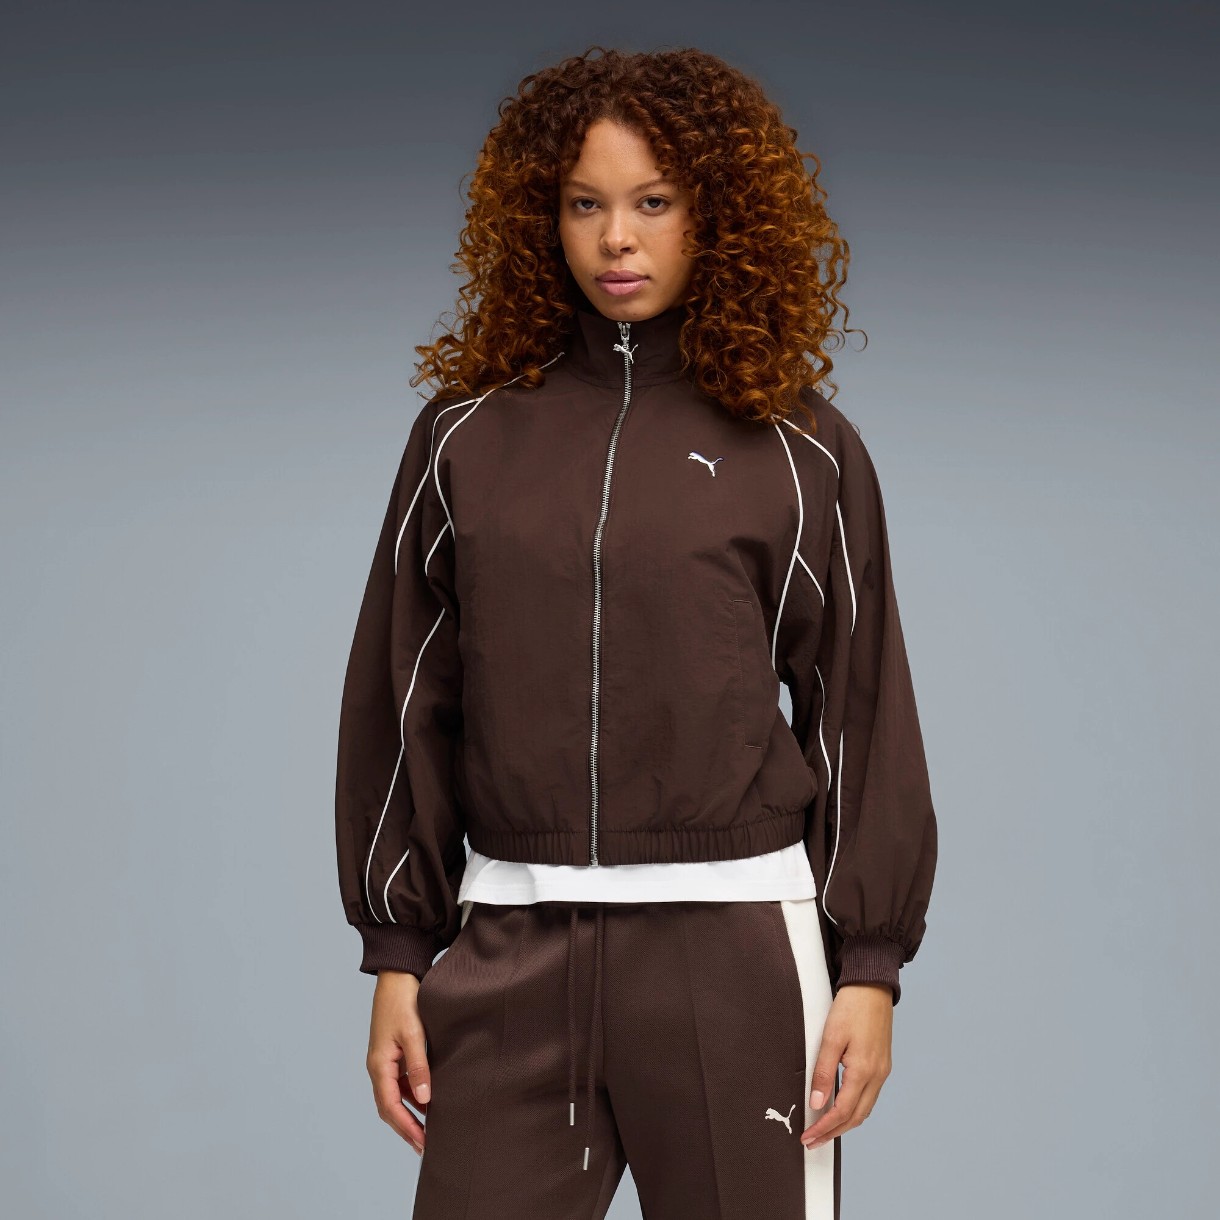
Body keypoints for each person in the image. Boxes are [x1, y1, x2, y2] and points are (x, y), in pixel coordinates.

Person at [334, 44, 937, 1220]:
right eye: (584, 204)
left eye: (653, 202)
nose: (617, 238)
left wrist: (868, 969)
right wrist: (397, 953)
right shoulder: (463, 436)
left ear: (717, 216)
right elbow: (404, 696)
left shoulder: (799, 448)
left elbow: (858, 707)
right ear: (540, 219)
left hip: (735, 953)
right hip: (511, 944)